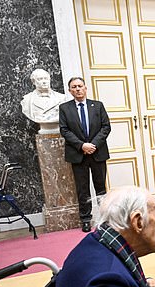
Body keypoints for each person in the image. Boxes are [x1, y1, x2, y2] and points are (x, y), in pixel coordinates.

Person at [59, 77, 111, 233]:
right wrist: (82, 145)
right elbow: (64, 130)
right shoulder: (64, 108)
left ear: (85, 88)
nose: (77, 89)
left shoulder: (98, 106)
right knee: (82, 189)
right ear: (70, 91)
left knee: (101, 188)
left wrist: (93, 144)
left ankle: (104, 219)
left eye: (80, 86)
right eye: (74, 87)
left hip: (97, 152)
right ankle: (86, 219)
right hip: (78, 154)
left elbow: (106, 127)